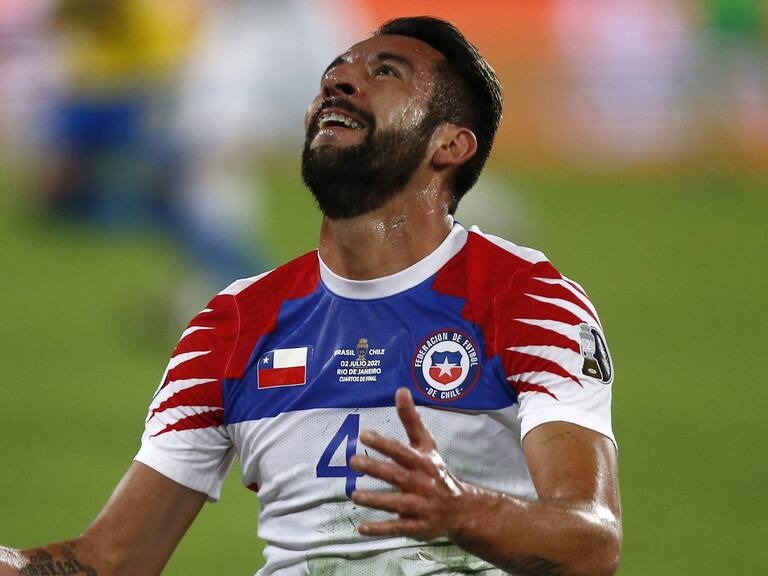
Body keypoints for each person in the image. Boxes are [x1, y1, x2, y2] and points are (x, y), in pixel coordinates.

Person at [0, 16, 622, 576]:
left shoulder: (526, 301)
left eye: (384, 73)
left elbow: (591, 544)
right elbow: (111, 560)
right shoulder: (230, 326)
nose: (339, 82)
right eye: (336, 72)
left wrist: (462, 510)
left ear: (449, 145)